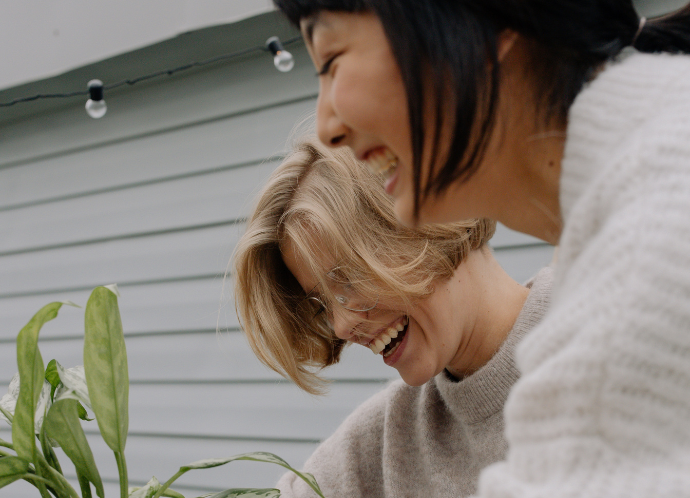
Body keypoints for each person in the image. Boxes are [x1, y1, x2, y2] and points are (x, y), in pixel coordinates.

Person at [271, 1, 690, 497]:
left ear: (475, 27)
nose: (326, 125)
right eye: (323, 301)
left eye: (332, 60)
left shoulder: (654, 239)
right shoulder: (622, 217)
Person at [233, 137, 552, 497]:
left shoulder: (612, 339)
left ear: (425, 223)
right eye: (322, 303)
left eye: (348, 278)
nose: (340, 326)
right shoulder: (380, 445)